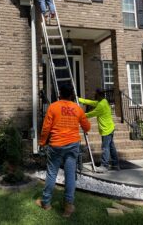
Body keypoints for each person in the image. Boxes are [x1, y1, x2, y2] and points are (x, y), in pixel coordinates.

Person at [36, 84, 91, 218]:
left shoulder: (53, 107)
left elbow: (46, 128)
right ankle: (68, 206)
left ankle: (46, 203)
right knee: (70, 175)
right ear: (71, 95)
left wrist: (42, 142)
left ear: (60, 94)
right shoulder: (77, 109)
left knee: (51, 173)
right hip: (72, 145)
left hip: (56, 145)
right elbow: (87, 127)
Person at [79, 89, 119, 173]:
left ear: (99, 95)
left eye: (95, 94)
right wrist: (81, 100)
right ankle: (116, 165)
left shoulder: (101, 105)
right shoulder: (104, 101)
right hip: (110, 128)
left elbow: (91, 114)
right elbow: (93, 103)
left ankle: (104, 166)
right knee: (111, 147)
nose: (94, 96)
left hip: (106, 130)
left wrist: (80, 115)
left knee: (105, 148)